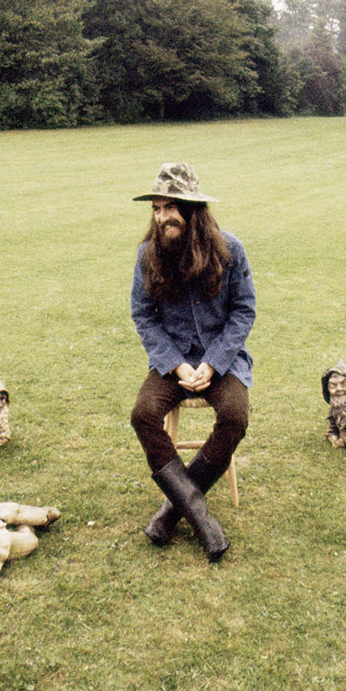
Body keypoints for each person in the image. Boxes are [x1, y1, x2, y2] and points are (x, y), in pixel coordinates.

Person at [129, 162, 256, 562]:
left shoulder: (230, 249)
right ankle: (201, 517)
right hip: (172, 362)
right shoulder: (148, 254)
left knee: (235, 416)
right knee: (142, 414)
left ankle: (171, 512)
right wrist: (175, 364)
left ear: (193, 209)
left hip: (223, 361)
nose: (161, 217)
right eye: (157, 208)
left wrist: (215, 362)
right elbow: (143, 315)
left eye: (170, 207)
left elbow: (244, 311)